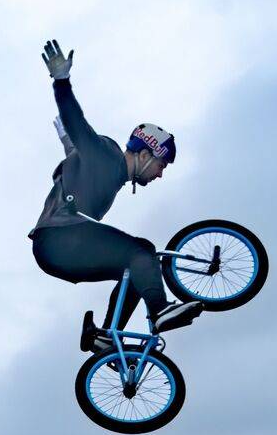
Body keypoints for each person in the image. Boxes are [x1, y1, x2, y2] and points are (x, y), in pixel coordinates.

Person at [29, 39, 203, 354]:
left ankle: (107, 336)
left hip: (58, 247)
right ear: (145, 154)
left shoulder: (108, 170)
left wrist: (67, 141)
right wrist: (61, 81)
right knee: (142, 251)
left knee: (137, 269)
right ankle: (160, 310)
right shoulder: (107, 154)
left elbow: (75, 149)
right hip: (60, 238)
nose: (160, 174)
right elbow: (78, 125)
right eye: (161, 165)